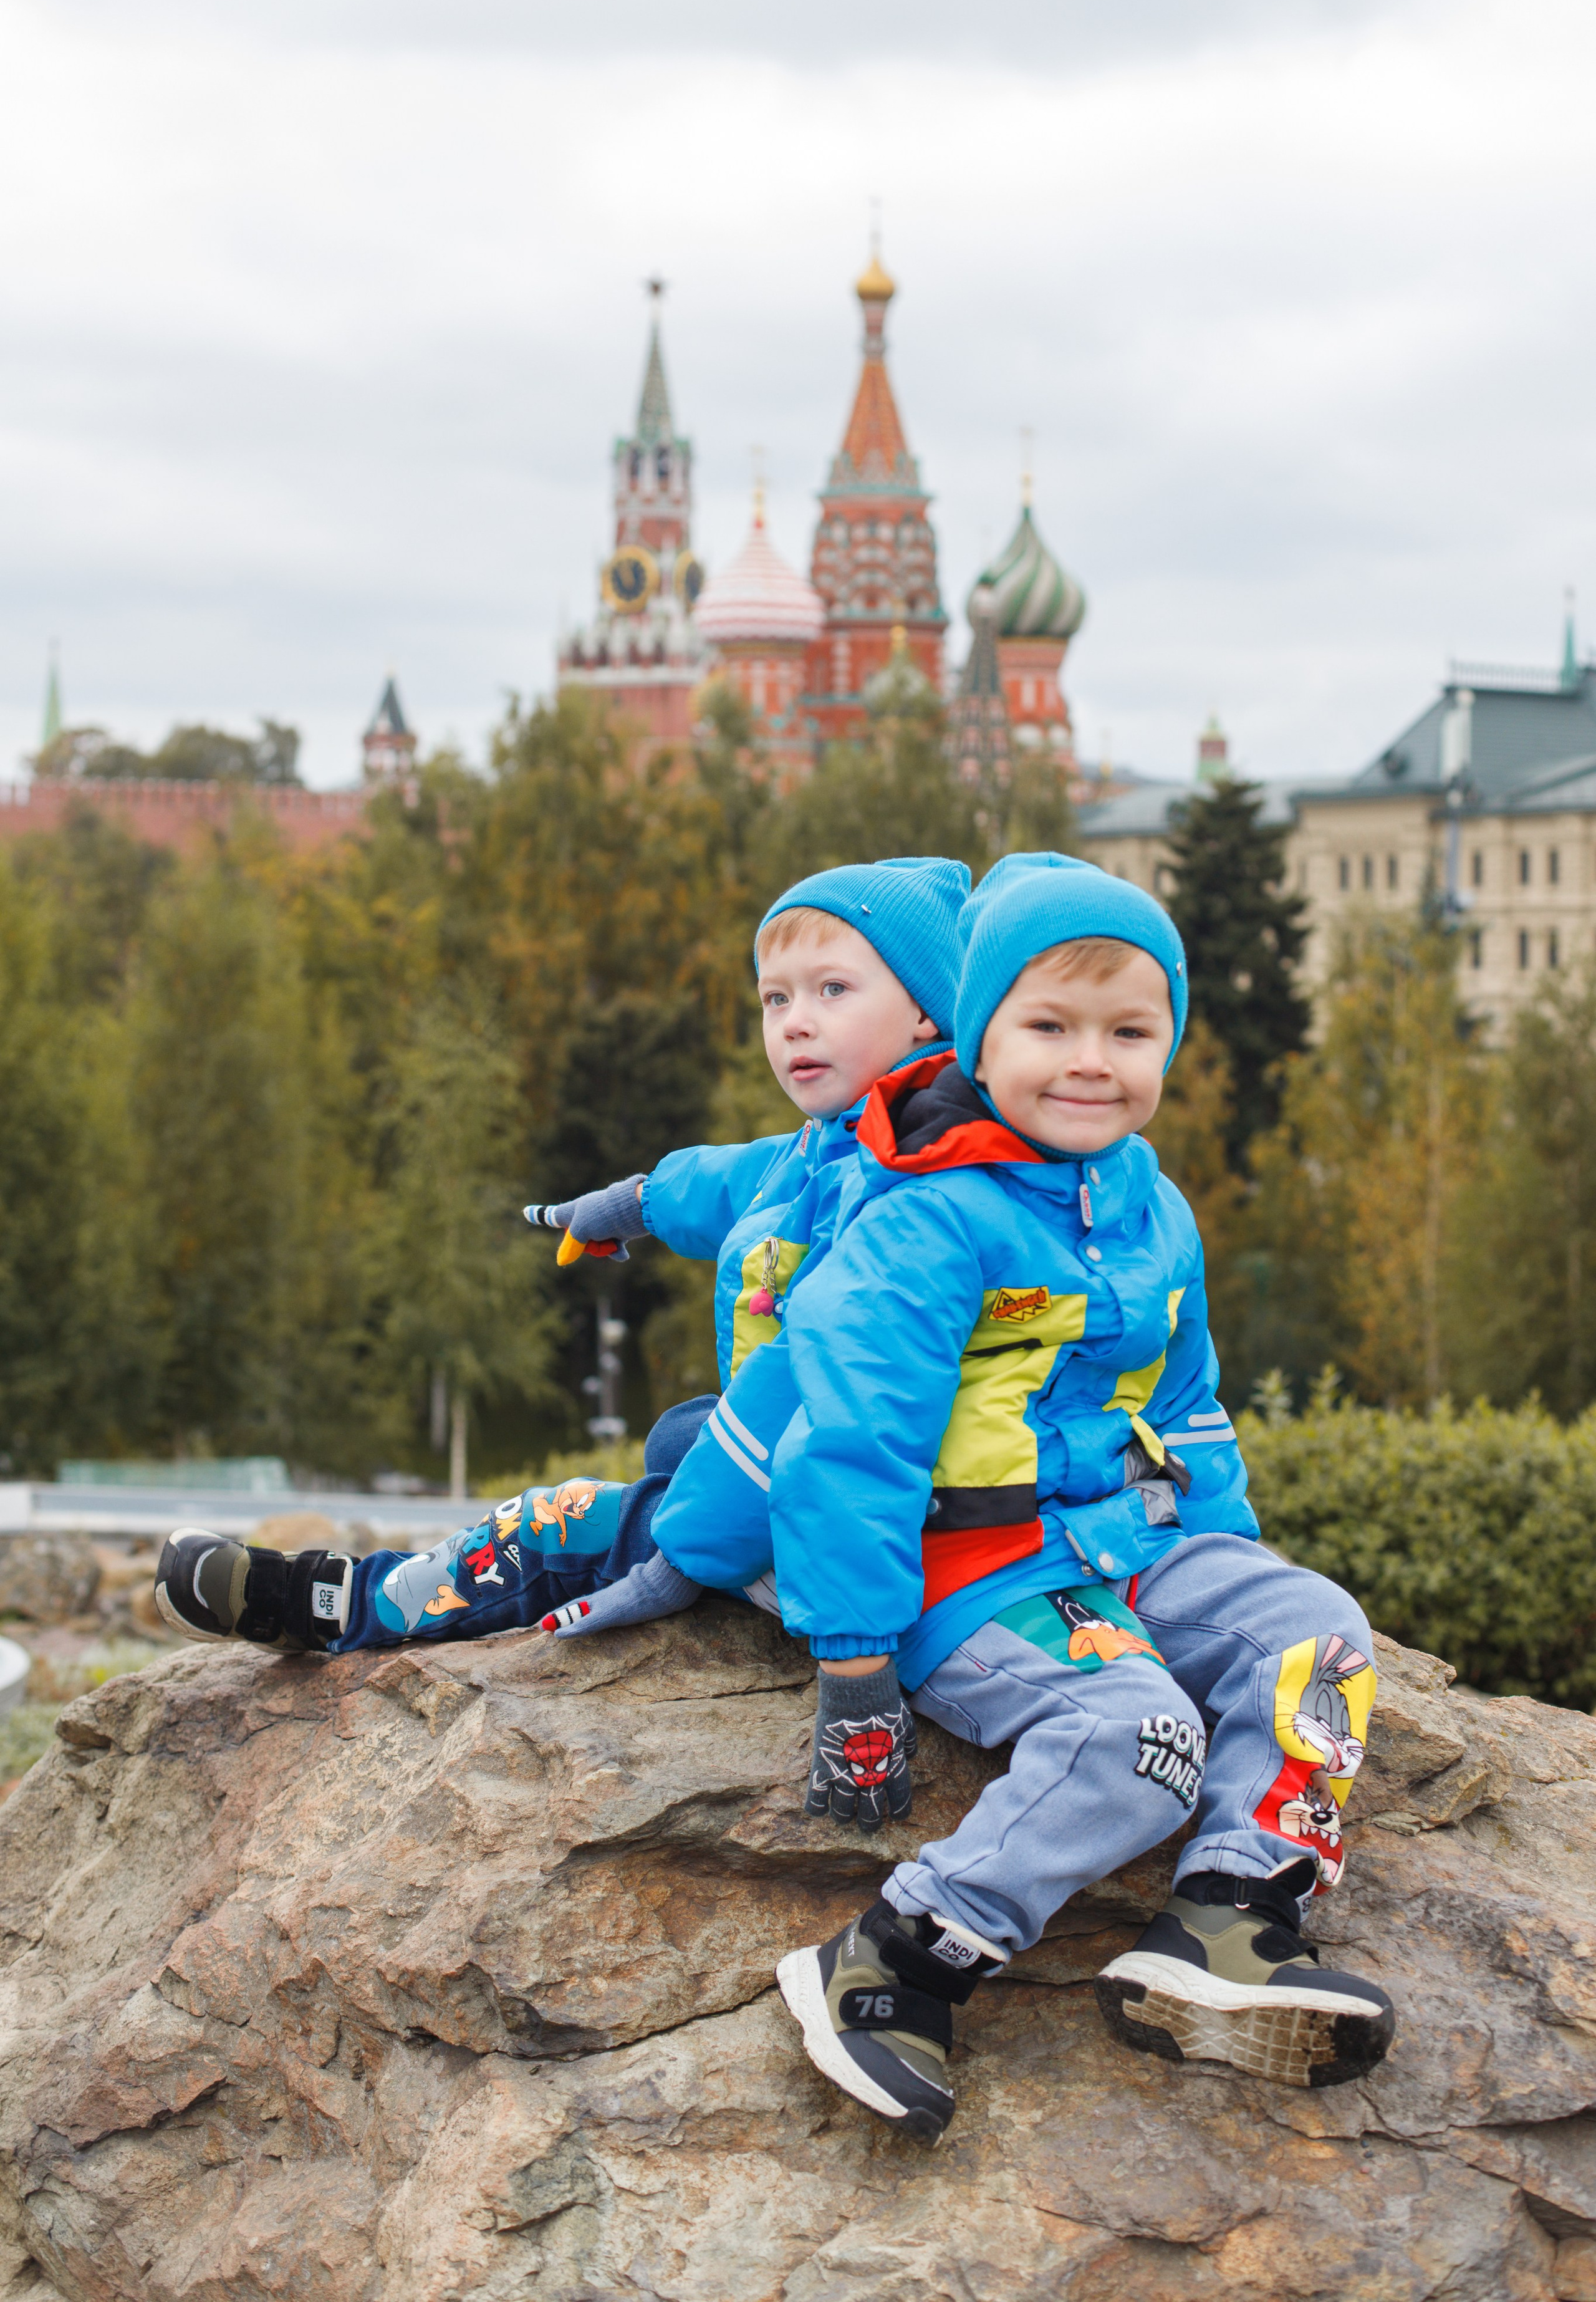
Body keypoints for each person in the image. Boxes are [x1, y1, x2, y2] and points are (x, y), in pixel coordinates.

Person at [557, 854, 1395, 2139]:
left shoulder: (1150, 1205)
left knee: (1316, 1632)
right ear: (978, 1029)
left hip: (1124, 1543)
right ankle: (895, 1957)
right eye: (1046, 1026)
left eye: (1128, 1031)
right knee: (1137, 1744)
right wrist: (853, 1665)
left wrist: (1220, 1568)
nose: (1087, 1061)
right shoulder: (924, 1219)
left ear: (1169, 1039)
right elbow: (848, 1447)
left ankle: (1228, 1914)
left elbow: (1185, 1405)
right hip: (974, 1565)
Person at [153, 856, 969, 1657]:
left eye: (833, 989)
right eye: (775, 996)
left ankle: (335, 1602)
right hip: (835, 1487)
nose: (794, 1020)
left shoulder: (899, 1197)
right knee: (680, 1437)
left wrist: (684, 1553)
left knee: (560, 1522)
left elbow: (815, 1386)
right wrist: (638, 1202)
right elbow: (743, 1178)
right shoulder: (870, 1142)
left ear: (926, 1014)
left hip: (854, 1533)